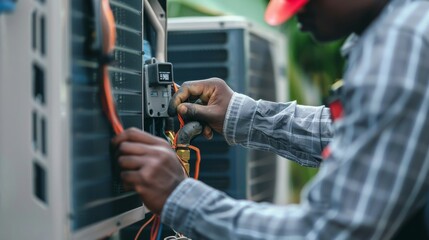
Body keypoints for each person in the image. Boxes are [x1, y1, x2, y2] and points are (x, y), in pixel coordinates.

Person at [112, 0, 429, 238]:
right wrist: (242, 114)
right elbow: (356, 136)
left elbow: (331, 230)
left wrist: (178, 196)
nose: (294, 11)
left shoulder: (400, 45)